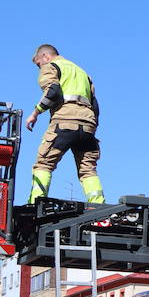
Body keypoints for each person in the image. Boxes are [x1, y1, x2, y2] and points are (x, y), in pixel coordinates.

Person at [24, 44, 104, 204]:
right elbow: (95, 105)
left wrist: (35, 113)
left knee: (43, 163)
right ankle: (98, 206)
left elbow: (53, 91)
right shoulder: (82, 72)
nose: (40, 67)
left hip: (64, 121)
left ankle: (35, 204)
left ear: (45, 57)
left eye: (39, 64)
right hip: (88, 125)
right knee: (88, 170)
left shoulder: (52, 67)